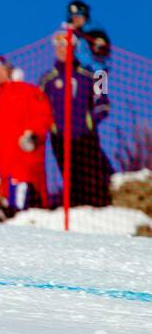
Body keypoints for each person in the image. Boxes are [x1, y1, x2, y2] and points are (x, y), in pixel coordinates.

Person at [0, 54, 53, 213]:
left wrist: (32, 134)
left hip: (27, 172)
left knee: (23, 217)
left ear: (8, 68)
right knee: (11, 222)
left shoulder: (29, 91)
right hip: (6, 179)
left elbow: (43, 116)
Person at [40, 29, 114, 207]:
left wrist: (89, 123)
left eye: (65, 45)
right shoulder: (47, 80)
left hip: (85, 136)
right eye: (57, 46)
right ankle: (73, 217)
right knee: (70, 181)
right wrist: (51, 126)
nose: (61, 49)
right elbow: (38, 109)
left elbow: (103, 104)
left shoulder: (92, 75)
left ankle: (101, 211)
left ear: (73, 48)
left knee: (92, 179)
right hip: (60, 138)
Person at [65, 0, 113, 76]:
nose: (75, 19)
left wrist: (99, 46)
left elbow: (102, 48)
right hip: (79, 73)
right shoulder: (73, 34)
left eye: (78, 16)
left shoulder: (94, 30)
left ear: (85, 16)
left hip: (95, 72)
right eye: (72, 17)